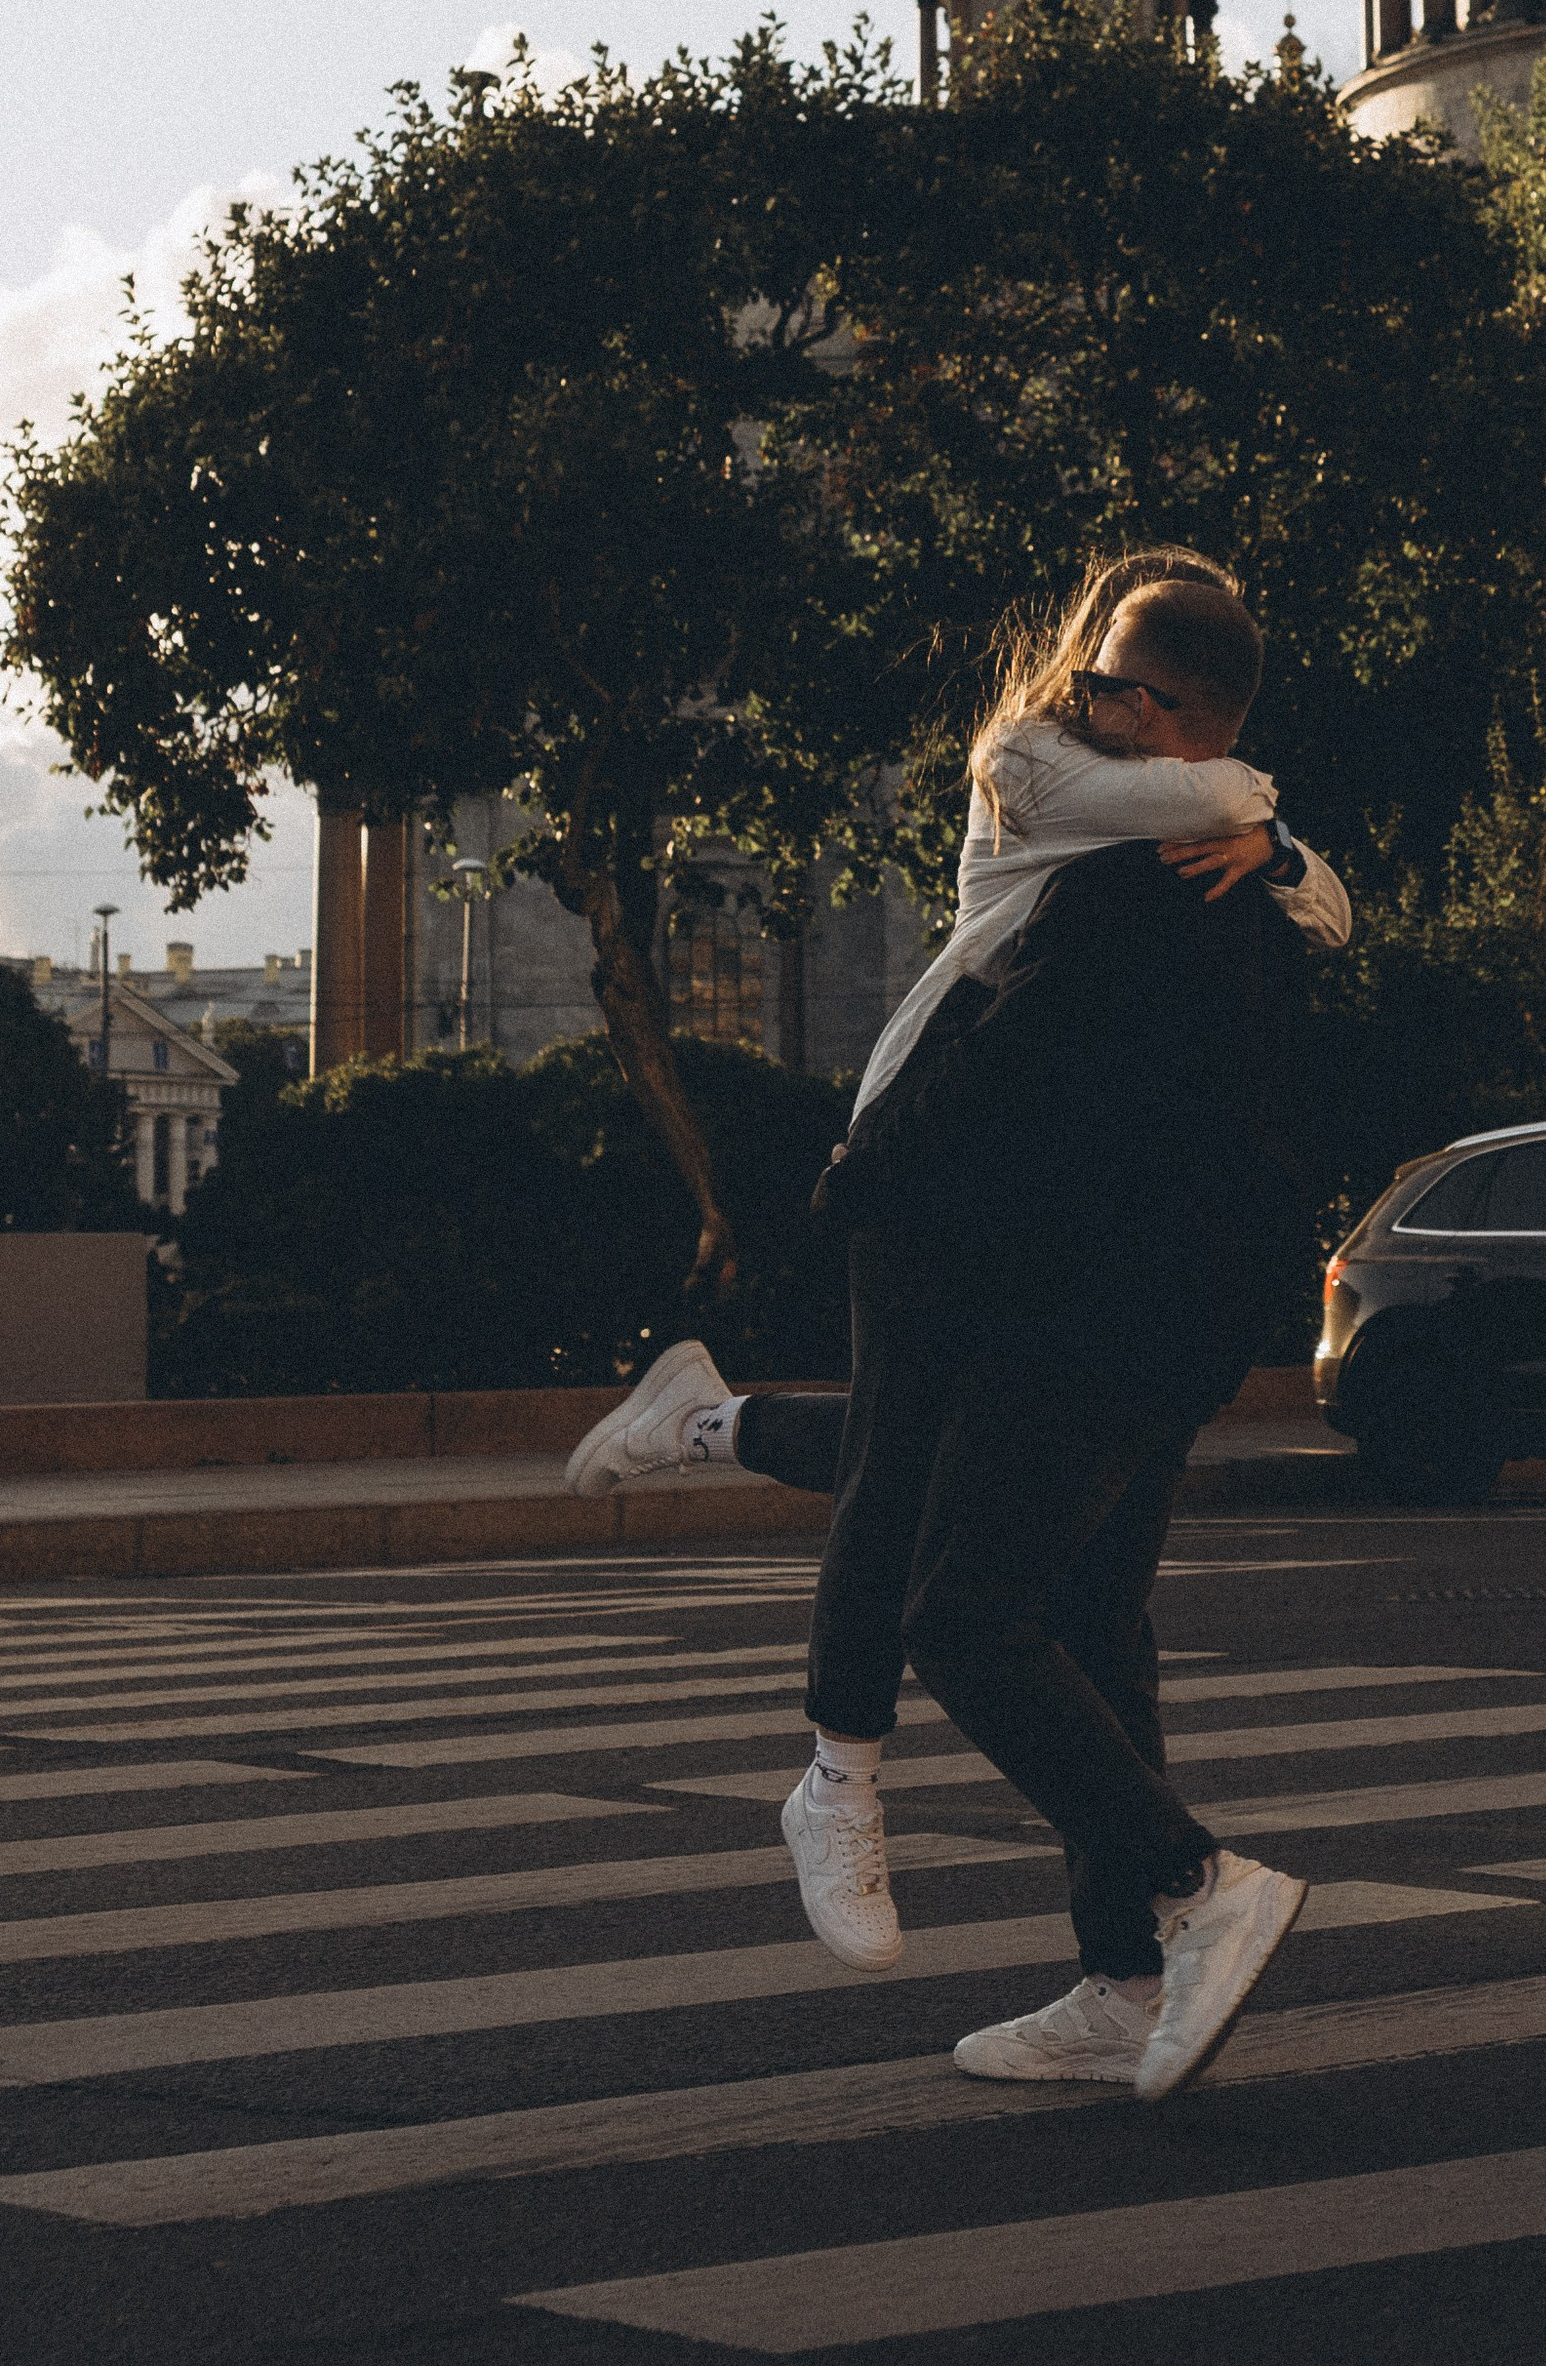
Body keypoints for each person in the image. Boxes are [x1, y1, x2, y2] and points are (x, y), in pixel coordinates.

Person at [569, 562, 1335, 2100]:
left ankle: (1154, 1935)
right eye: (1095, 674)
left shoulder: (1202, 852)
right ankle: (896, 1806)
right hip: (956, 1204)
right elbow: (1217, 852)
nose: (1089, 697)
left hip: (1075, 1269)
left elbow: (1286, 935)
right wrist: (1258, 820)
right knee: (972, 1549)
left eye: (1126, 688)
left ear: (1180, 712)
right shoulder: (1052, 776)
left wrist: (1278, 843)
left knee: (1028, 1598)